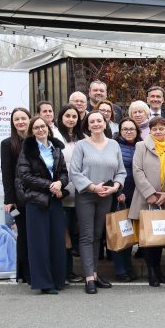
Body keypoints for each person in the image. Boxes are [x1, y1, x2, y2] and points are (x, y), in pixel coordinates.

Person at [69, 110, 126, 294]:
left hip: (106, 195)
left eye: (99, 121)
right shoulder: (81, 146)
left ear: (104, 123)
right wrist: (93, 187)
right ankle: (88, 278)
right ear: (87, 125)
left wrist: (115, 186)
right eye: (92, 121)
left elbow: (121, 172)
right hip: (87, 194)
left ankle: (94, 273)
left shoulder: (114, 145)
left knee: (97, 236)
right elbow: (74, 172)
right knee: (86, 236)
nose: (96, 124)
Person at [15, 116, 69, 294]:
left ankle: (57, 279)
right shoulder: (27, 150)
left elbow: (63, 173)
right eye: (36, 127)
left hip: (54, 200)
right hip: (36, 201)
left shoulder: (56, 149)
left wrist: (60, 184)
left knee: (56, 241)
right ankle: (44, 283)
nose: (40, 130)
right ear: (32, 131)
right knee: (39, 243)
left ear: (48, 128)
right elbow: (25, 176)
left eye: (43, 126)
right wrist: (49, 185)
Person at [130, 116, 165, 287]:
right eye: (154, 129)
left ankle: (159, 271)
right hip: (145, 198)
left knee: (160, 237)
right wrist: (149, 193)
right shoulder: (141, 146)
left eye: (161, 129)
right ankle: (152, 272)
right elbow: (137, 170)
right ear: (150, 130)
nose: (158, 132)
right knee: (149, 238)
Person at [0, 107, 31, 283]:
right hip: (18, 200)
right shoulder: (7, 144)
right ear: (13, 123)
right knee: (23, 235)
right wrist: (10, 199)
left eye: (23, 118)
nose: (20, 122)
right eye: (16, 119)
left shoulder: (36, 140)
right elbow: (7, 173)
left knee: (33, 234)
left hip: (36, 195)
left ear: (29, 119)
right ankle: (24, 273)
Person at [110, 117, 142, 282]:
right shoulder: (114, 146)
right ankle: (121, 270)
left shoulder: (141, 146)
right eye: (125, 129)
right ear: (120, 131)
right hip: (121, 196)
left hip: (137, 196)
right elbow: (111, 170)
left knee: (130, 234)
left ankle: (128, 267)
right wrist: (117, 192)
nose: (129, 132)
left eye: (132, 129)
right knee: (120, 232)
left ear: (137, 132)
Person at [56, 104, 84, 283]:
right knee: (63, 233)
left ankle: (71, 270)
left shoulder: (84, 138)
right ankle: (63, 271)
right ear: (61, 117)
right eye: (67, 116)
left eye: (74, 116)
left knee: (75, 232)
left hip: (81, 192)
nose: (71, 119)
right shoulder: (55, 137)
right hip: (63, 192)